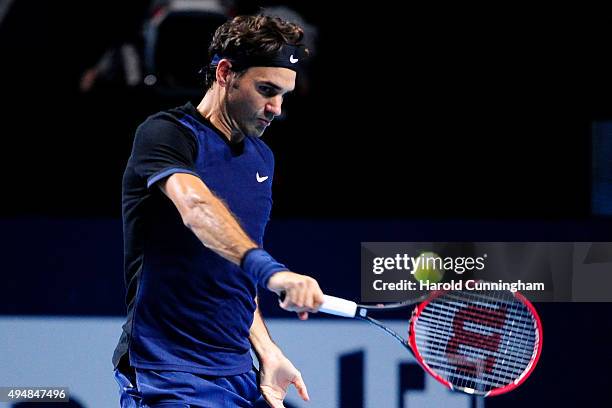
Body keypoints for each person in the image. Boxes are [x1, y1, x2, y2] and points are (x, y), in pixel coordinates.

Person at [112, 14, 324, 407]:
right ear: (226, 72)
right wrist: (273, 273)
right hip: (168, 374)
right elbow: (197, 208)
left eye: (284, 95)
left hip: (238, 373)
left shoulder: (262, 159)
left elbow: (234, 267)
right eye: (266, 90)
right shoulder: (167, 134)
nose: (276, 108)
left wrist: (267, 350)